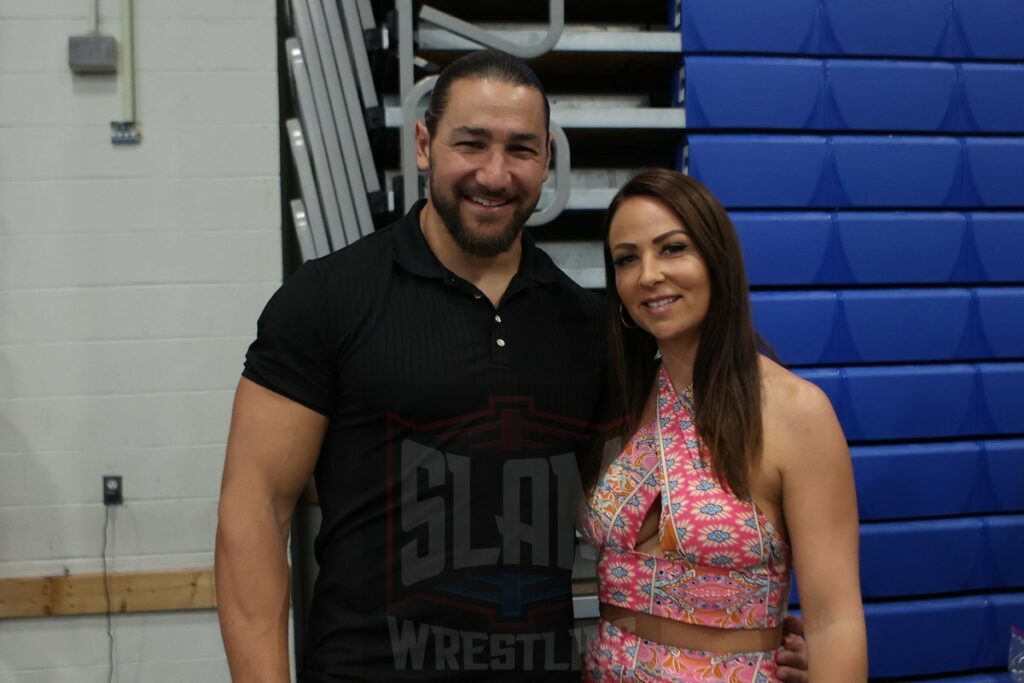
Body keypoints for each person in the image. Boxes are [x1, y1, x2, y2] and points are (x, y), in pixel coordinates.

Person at [216, 50, 811, 681]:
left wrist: (748, 631)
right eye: (471, 143)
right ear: (424, 144)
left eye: (521, 150)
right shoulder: (326, 299)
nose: (495, 175)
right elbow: (253, 510)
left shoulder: (589, 326)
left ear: (547, 161)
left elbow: (679, 495)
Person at [578, 169, 867, 681]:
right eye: (627, 259)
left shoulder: (796, 412)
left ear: (716, 259)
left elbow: (833, 620)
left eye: (672, 249)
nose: (648, 274)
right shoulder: (617, 398)